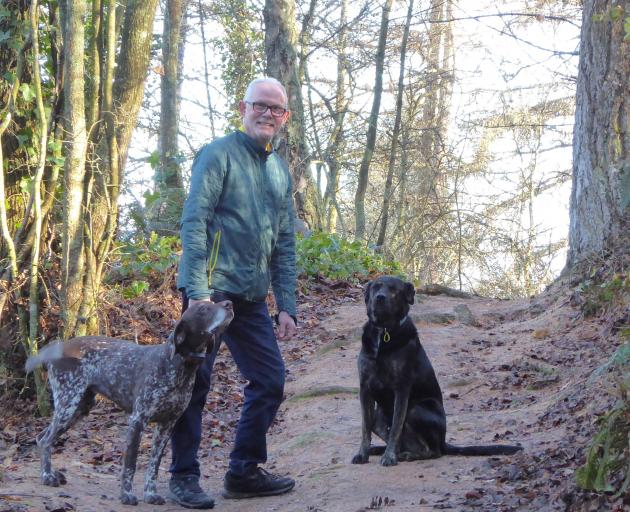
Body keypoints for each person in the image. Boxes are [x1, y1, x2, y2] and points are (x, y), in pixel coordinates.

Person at [168, 77, 298, 509]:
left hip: (250, 298)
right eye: (260, 105)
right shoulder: (217, 154)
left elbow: (284, 243)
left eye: (275, 109)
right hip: (210, 292)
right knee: (193, 385)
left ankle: (243, 471)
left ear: (285, 118)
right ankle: (182, 476)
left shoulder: (279, 171)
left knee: (269, 380)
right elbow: (195, 221)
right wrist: (198, 293)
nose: (267, 114)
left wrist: (287, 305)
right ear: (243, 108)